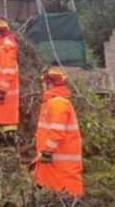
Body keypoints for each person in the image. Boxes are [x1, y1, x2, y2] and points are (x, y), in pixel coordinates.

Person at [31, 67, 84, 198]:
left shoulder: (58, 103)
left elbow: (57, 131)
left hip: (58, 161)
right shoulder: (55, 102)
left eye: (45, 83)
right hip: (54, 162)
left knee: (66, 194)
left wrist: (48, 151)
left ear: (51, 83)